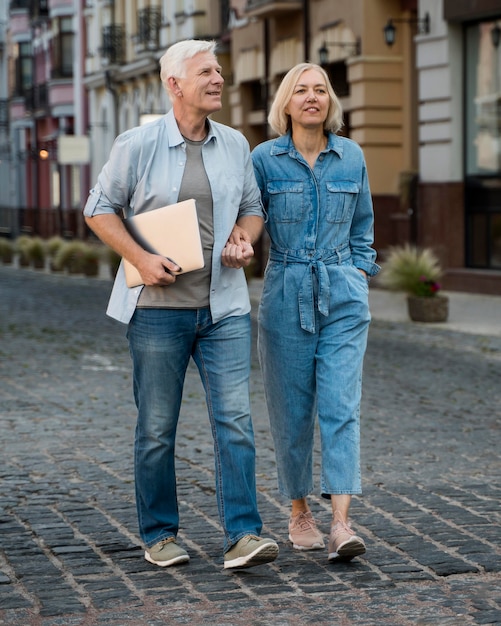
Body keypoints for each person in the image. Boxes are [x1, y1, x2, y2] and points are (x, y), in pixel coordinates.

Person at [83, 39, 278, 570]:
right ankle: (161, 534)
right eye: (206, 72)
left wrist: (244, 238)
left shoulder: (235, 144)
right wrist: (141, 260)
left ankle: (243, 535)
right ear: (175, 84)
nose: (218, 79)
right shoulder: (138, 144)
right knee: (156, 428)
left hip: (225, 310)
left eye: (219, 70)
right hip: (156, 312)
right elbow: (98, 210)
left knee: (235, 421)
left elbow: (253, 208)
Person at [251, 62, 380, 562]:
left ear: (331, 101)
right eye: (300, 90)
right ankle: (299, 510)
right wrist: (242, 244)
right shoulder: (264, 159)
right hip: (285, 290)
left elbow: (364, 224)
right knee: (291, 409)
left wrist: (359, 273)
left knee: (341, 406)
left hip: (343, 291)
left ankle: (342, 523)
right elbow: (250, 219)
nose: (311, 97)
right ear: (285, 103)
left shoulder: (351, 157)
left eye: (320, 90)